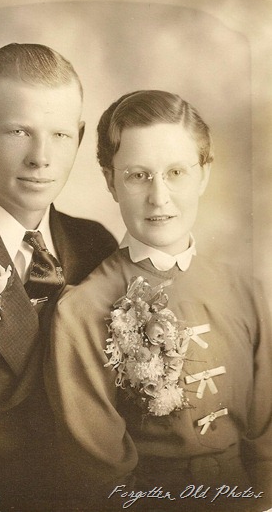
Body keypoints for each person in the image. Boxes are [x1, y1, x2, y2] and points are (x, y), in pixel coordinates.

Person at [45, 90, 272, 511]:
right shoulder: (81, 312)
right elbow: (101, 478)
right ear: (111, 181)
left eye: (177, 172)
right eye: (137, 175)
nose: (159, 197)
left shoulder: (249, 293)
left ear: (204, 174)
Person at [0, 43, 117, 511]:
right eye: (18, 131)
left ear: (80, 135)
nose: (41, 158)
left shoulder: (96, 246)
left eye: (59, 135)